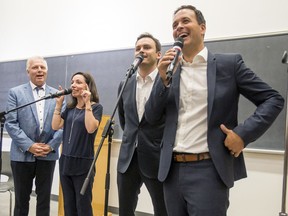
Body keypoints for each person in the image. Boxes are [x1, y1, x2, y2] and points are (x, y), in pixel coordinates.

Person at [144, 5, 285, 216]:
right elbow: (152, 117)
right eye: (174, 25)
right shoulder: (169, 70)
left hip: (209, 170)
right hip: (171, 172)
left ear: (202, 28)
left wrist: (242, 135)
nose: (179, 27)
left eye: (185, 21)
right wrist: (162, 80)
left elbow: (273, 99)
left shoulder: (229, 65)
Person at [5, 56, 63, 216]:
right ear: (28, 71)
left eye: (42, 68)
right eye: (35, 67)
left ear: (47, 71)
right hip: (22, 155)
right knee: (21, 202)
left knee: (44, 202)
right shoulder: (15, 93)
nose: (39, 70)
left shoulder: (58, 95)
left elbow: (63, 126)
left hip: (47, 154)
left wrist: (51, 146)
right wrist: (30, 146)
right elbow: (11, 123)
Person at [117, 33, 167, 216]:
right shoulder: (125, 83)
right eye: (138, 48)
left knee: (162, 209)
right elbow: (125, 121)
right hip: (128, 159)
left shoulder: (166, 81)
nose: (141, 51)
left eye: (147, 47)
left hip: (157, 157)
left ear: (158, 54)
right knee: (125, 210)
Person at [52, 71, 103, 216]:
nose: (73, 85)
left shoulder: (96, 107)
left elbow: (90, 127)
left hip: (83, 164)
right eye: (72, 82)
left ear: (88, 86)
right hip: (66, 162)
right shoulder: (69, 108)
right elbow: (55, 126)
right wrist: (59, 104)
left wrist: (87, 103)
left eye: (78, 82)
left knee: (83, 206)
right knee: (69, 206)